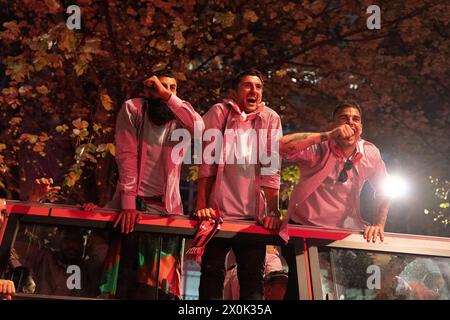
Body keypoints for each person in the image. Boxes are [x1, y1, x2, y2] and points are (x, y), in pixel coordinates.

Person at [102, 70, 204, 299]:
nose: (165, 90)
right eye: (160, 86)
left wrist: (167, 97)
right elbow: (126, 155)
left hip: (167, 213)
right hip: (132, 210)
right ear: (147, 90)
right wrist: (129, 202)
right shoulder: (133, 109)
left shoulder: (180, 115)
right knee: (125, 284)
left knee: (161, 290)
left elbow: (200, 129)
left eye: (172, 87)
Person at [279, 101, 390, 299]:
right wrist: (327, 136)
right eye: (344, 118)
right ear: (334, 125)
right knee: (299, 291)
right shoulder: (318, 148)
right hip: (304, 231)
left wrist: (378, 224)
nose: (350, 122)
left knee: (346, 292)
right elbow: (281, 145)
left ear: (361, 127)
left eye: (356, 119)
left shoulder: (370, 152)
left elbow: (385, 189)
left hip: (341, 235)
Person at [193, 69, 283, 300]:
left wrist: (272, 211)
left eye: (258, 86)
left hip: (252, 219)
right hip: (217, 216)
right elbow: (207, 165)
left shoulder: (271, 118)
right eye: (247, 85)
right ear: (234, 91)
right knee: (212, 274)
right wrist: (201, 205)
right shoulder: (219, 112)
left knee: (252, 278)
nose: (254, 90)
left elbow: (272, 171)